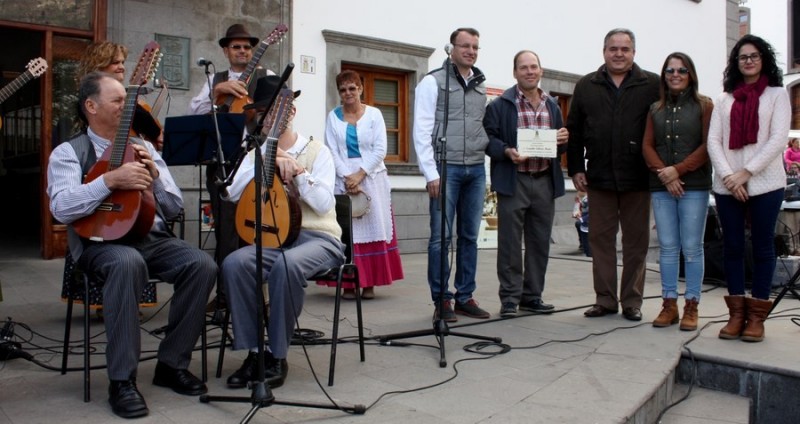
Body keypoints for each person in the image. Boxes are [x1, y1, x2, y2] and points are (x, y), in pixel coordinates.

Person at [47, 72, 216, 419]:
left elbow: (174, 209)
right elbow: (61, 207)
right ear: (91, 106)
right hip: (100, 244)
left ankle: (170, 364)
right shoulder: (68, 152)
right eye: (119, 100)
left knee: (202, 265)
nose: (129, 106)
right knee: (127, 263)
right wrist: (109, 181)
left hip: (151, 238)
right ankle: (121, 380)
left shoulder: (144, 148)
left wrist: (154, 181)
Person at [221, 76, 345, 389]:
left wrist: (300, 174)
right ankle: (254, 352)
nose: (264, 118)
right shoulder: (255, 153)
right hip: (273, 239)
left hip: (319, 239)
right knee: (235, 263)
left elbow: (324, 202)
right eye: (260, 111)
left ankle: (278, 353)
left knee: (286, 266)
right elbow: (232, 194)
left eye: (272, 110)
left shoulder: (318, 152)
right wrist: (264, 160)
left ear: (289, 111)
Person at [566, 28, 660, 321]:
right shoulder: (586, 85)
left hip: (638, 178)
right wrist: (576, 169)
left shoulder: (652, 84)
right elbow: (575, 131)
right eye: (613, 48)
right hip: (600, 176)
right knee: (600, 240)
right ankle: (605, 300)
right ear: (604, 51)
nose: (619, 54)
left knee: (636, 242)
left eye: (625, 49)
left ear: (634, 52)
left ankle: (632, 301)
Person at [707, 34, 791, 343]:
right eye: (743, 57)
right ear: (736, 63)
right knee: (732, 247)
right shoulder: (723, 99)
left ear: (763, 59)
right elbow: (714, 141)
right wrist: (731, 177)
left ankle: (757, 317)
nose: (749, 61)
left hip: (766, 183)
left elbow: (777, 140)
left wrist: (746, 174)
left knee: (763, 246)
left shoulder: (777, 95)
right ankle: (736, 314)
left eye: (754, 55)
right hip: (728, 184)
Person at [188, 24, 271, 308]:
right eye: (236, 47)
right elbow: (195, 112)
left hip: (252, 160)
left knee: (254, 226)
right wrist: (217, 92)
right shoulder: (216, 79)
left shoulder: (265, 76)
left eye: (247, 47)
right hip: (221, 161)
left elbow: (279, 110)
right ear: (225, 51)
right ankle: (224, 295)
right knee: (224, 229)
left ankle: (254, 293)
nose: (242, 51)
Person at [413, 27, 491, 321]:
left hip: (475, 169)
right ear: (452, 48)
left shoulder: (481, 85)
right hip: (445, 170)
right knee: (441, 239)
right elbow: (421, 129)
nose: (471, 51)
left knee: (470, 236)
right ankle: (441, 300)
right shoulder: (433, 82)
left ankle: (465, 296)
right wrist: (430, 173)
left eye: (475, 47)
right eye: (465, 46)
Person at [484, 50, 568, 318]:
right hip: (514, 180)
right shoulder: (500, 105)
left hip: (544, 180)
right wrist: (507, 151)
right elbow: (488, 140)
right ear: (515, 72)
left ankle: (532, 296)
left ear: (541, 71)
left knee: (539, 242)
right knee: (509, 243)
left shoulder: (553, 105)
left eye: (534, 67)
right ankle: (509, 298)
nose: (529, 71)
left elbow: (559, 148)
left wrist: (563, 140)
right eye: (524, 68)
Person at [642, 52, 713, 331]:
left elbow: (708, 146)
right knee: (668, 248)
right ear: (664, 75)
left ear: (690, 74)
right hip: (661, 186)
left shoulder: (704, 105)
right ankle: (669, 303)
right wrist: (665, 173)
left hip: (693, 187)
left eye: (681, 70)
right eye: (670, 70)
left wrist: (678, 170)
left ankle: (692, 305)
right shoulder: (655, 108)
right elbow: (648, 145)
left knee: (693, 248)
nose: (675, 74)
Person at [318, 70, 403, 300]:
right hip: (343, 179)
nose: (348, 93)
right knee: (348, 232)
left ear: (360, 89)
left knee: (374, 227)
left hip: (372, 178)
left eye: (352, 88)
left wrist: (360, 175)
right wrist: (348, 176)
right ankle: (348, 284)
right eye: (343, 89)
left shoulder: (374, 114)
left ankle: (369, 284)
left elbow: (380, 149)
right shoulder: (333, 117)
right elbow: (332, 150)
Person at [76, 41, 162, 149]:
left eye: (122, 62)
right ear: (99, 65)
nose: (122, 67)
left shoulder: (136, 104)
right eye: (115, 62)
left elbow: (156, 137)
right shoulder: (86, 98)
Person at [573, 191, 591, 257]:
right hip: (585, 222)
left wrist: (582, 219)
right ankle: (583, 245)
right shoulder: (582, 196)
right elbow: (580, 207)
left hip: (589, 221)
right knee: (579, 225)